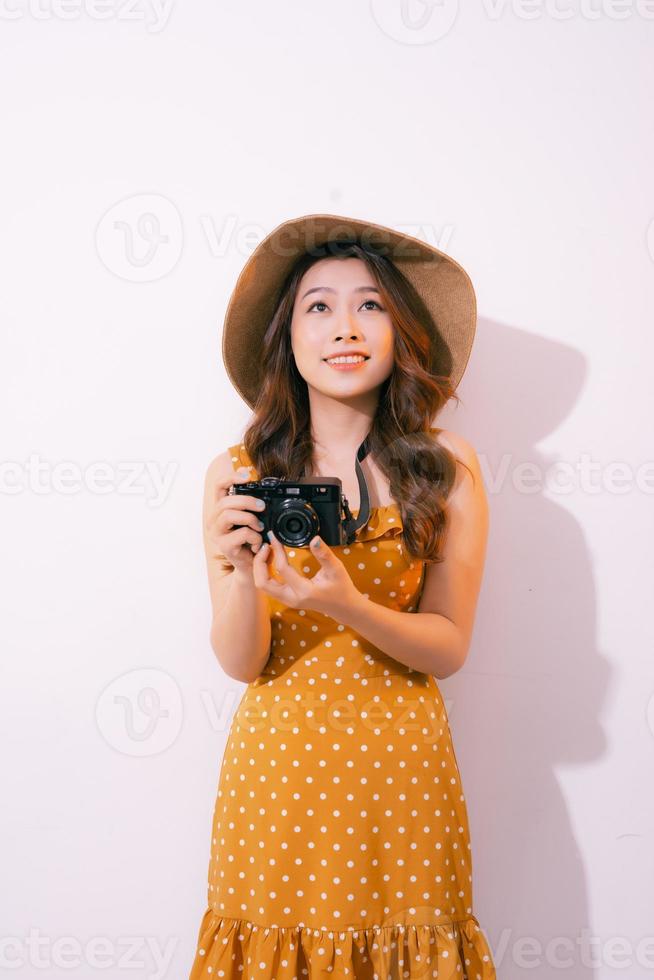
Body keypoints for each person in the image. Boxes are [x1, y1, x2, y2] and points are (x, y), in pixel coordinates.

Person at [189, 214, 497, 979]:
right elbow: (240, 662)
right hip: (279, 769)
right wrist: (235, 572)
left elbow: (450, 647)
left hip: (402, 773)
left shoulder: (446, 465)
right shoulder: (238, 473)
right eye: (318, 307)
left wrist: (348, 604)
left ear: (400, 331)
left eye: (370, 304)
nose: (345, 328)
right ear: (287, 340)